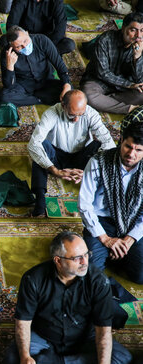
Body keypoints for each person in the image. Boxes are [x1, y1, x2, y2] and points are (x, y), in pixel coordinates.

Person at [1, 231, 133, 364]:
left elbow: (103, 330)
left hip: (84, 339)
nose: (85, 261)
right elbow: (23, 323)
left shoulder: (98, 281)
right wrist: (24, 356)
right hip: (45, 338)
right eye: (77, 258)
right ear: (58, 260)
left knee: (122, 361)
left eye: (86, 254)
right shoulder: (33, 279)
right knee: (13, 361)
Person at [28, 90, 115, 216]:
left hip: (82, 157)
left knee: (100, 147)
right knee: (41, 148)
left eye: (81, 115)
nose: (76, 119)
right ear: (63, 106)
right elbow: (34, 143)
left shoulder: (91, 114)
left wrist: (90, 171)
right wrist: (53, 169)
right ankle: (40, 201)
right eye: (72, 115)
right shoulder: (51, 113)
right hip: (56, 157)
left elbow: (108, 142)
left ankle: (101, 198)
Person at [79, 111, 143, 284]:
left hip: (132, 223)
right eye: (128, 147)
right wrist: (105, 239)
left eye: (138, 150)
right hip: (102, 223)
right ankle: (109, 252)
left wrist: (129, 240)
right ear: (121, 141)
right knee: (90, 273)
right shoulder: (98, 161)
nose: (131, 154)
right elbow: (84, 205)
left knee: (140, 276)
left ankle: (119, 254)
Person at [81, 12, 143, 115]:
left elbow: (139, 80)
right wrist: (129, 85)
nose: (138, 36)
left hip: (124, 88)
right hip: (99, 82)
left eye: (142, 31)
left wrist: (137, 57)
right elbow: (103, 73)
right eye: (133, 30)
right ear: (123, 28)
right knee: (87, 96)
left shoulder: (141, 45)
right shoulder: (105, 40)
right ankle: (129, 109)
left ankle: (105, 101)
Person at [0, 26, 71, 106]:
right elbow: (9, 86)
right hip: (23, 86)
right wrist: (10, 66)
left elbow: (59, 64)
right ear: (12, 47)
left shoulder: (42, 40)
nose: (25, 46)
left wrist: (66, 85)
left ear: (27, 33)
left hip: (46, 81)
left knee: (70, 91)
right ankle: (40, 99)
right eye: (18, 46)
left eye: (25, 41)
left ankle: (32, 99)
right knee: (4, 97)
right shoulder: (7, 54)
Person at [6, 0, 75, 55]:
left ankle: (41, 55)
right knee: (5, 41)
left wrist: (49, 45)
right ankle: (42, 55)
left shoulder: (56, 1)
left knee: (69, 45)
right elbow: (12, 24)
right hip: (26, 38)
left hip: (48, 38)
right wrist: (23, 41)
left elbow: (60, 25)